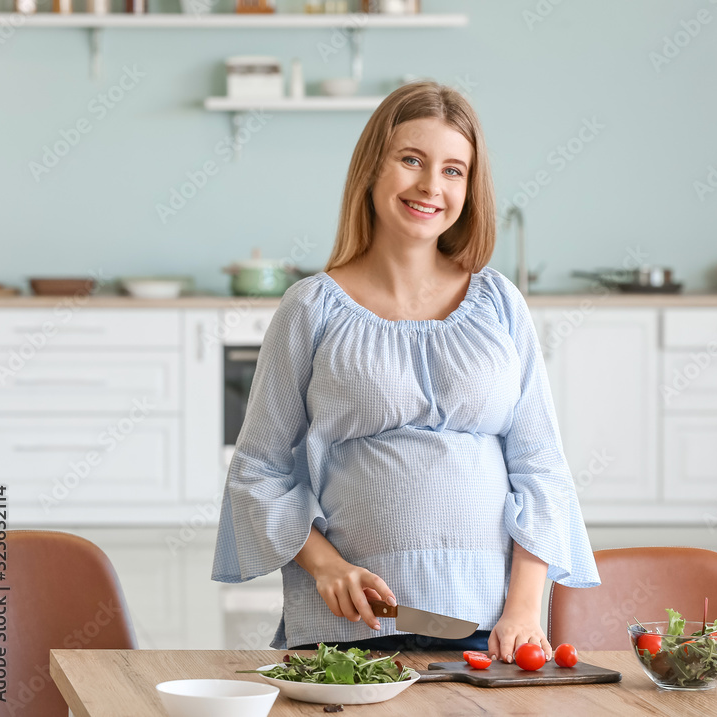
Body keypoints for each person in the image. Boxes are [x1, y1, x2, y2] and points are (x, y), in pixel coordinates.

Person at [211, 81, 600, 664]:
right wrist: (327, 566)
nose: (430, 186)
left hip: (483, 623)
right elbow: (257, 471)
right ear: (372, 168)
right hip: (346, 624)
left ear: (470, 188)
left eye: (453, 170)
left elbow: (540, 469)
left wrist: (522, 607)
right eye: (411, 160)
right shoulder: (311, 307)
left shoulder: (499, 303)